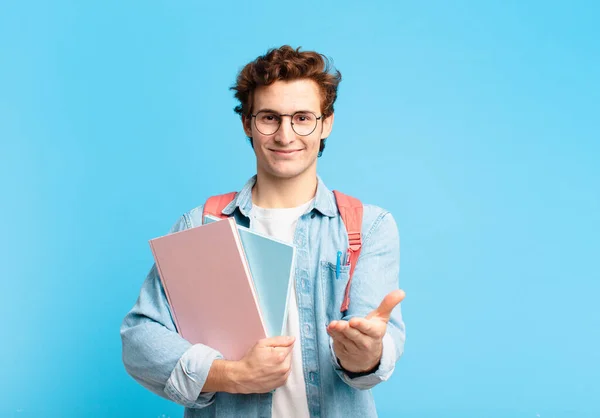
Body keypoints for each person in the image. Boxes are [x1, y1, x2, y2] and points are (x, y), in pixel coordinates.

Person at [121, 45, 406, 418]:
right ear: (247, 123)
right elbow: (140, 340)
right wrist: (231, 375)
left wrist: (366, 355)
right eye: (269, 117)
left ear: (326, 122)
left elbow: (372, 354)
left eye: (302, 118)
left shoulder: (367, 227)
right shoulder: (201, 224)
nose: (285, 135)